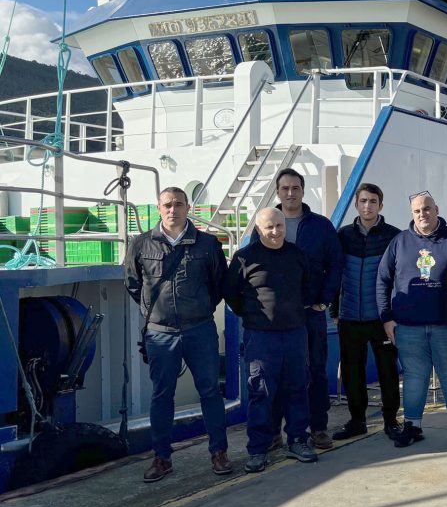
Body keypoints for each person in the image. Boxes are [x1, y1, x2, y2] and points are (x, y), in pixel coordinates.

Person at [124, 187, 231, 483]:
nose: (173, 210)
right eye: (167, 205)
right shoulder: (141, 244)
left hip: (200, 330)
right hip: (160, 334)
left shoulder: (207, 244)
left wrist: (199, 309)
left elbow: (219, 284)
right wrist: (156, 313)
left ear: (187, 207)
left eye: (179, 204)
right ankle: (161, 458)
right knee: (162, 395)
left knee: (210, 391)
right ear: (158, 208)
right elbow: (134, 284)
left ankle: (219, 452)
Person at [225, 208, 318, 473]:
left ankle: (298, 440)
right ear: (258, 229)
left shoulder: (297, 255)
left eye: (279, 226)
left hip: (295, 334)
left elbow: (309, 287)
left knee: (298, 388)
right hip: (261, 337)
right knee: (261, 393)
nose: (275, 232)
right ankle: (258, 449)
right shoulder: (245, 258)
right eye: (269, 227)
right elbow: (231, 293)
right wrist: (253, 315)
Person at [376, 192, 447, 449]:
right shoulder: (399, 242)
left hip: (445, 326)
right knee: (414, 377)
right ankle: (412, 426)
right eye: (417, 211)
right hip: (407, 326)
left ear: (437, 209)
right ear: (411, 213)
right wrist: (387, 319)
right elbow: (382, 281)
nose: (422, 214)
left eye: (427, 209)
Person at [265, 168, 343, 450]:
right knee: (277, 372)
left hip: (310, 311)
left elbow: (335, 264)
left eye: (295, 188)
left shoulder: (320, 225)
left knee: (316, 370)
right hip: (276, 317)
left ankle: (319, 427)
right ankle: (274, 430)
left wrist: (325, 299)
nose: (290, 193)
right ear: (277, 191)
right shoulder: (266, 222)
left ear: (303, 189)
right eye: (284, 188)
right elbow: (251, 265)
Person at [332, 183, 403, 441]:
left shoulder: (394, 236)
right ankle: (357, 420)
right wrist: (335, 310)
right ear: (356, 204)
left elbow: (401, 276)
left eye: (373, 201)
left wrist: (394, 316)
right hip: (350, 316)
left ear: (381, 205)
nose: (367, 206)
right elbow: (335, 274)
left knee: (387, 370)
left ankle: (390, 420)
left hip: (381, 318)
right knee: (352, 371)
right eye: (363, 201)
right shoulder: (343, 236)